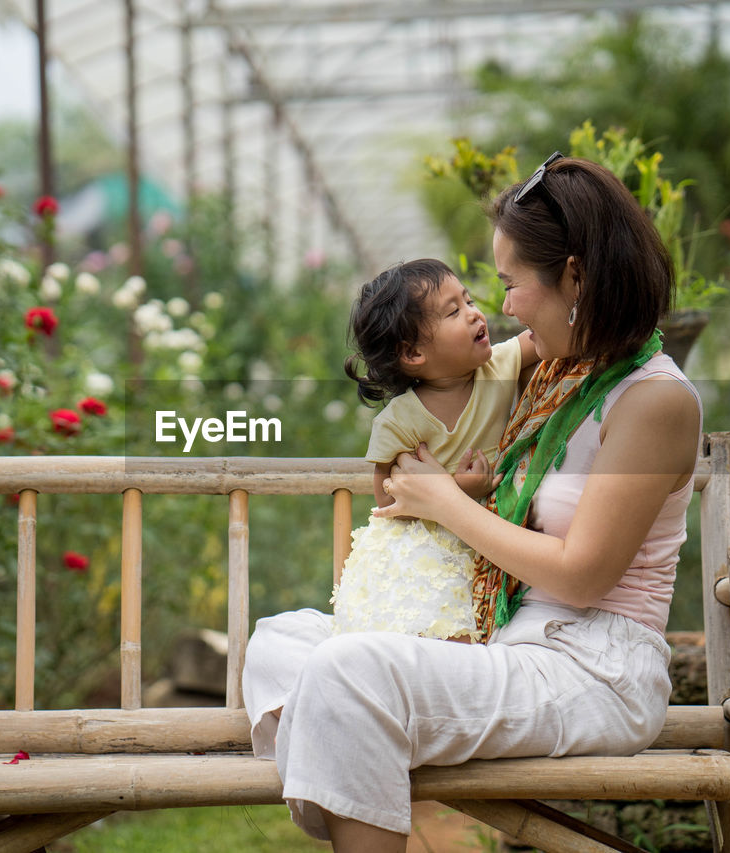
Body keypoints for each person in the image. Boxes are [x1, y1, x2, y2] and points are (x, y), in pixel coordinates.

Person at [241, 152, 702, 852]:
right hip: (509, 637)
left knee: (347, 671)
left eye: (513, 282)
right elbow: (443, 384)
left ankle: (359, 733)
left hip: (593, 668)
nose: (504, 305)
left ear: (574, 275)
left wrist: (440, 502)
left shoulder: (654, 399)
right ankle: (360, 732)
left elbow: (583, 572)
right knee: (280, 640)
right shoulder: (559, 368)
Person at [333, 258, 534, 640]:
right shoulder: (400, 420)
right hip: (424, 550)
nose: (476, 315)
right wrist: (460, 491)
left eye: (470, 300)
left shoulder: (500, 366)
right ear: (412, 354)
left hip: (489, 541)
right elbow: (387, 501)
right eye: (454, 311)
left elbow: (548, 336)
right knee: (433, 626)